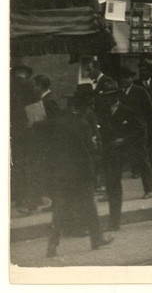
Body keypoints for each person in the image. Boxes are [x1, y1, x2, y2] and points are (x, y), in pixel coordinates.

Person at [38, 86, 113, 257]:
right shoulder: (83, 124)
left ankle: (53, 244)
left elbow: (49, 134)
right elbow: (89, 149)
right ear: (87, 104)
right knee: (89, 207)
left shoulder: (63, 117)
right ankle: (96, 239)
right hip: (80, 173)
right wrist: (94, 145)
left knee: (61, 208)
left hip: (63, 172)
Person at [96, 85, 147, 231]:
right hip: (107, 152)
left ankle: (114, 221)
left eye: (111, 96)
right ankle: (113, 220)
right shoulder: (103, 111)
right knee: (111, 185)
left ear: (117, 97)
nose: (108, 99)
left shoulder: (127, 111)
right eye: (106, 96)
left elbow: (140, 130)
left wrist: (124, 140)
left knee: (114, 185)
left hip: (120, 153)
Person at [117, 69, 152, 198]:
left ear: (131, 79)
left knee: (142, 159)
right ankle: (113, 192)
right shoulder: (119, 93)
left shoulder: (140, 91)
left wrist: (145, 126)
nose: (123, 81)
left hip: (138, 129)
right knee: (117, 160)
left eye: (126, 78)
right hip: (124, 130)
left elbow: (149, 111)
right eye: (121, 79)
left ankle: (149, 189)